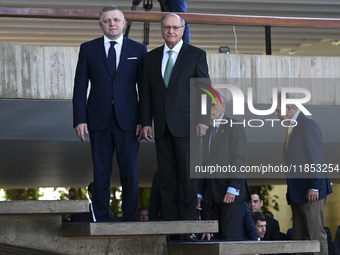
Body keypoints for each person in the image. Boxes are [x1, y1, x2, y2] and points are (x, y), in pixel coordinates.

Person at [72, 5, 147, 222]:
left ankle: (130, 219)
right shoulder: (88, 49)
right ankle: (101, 218)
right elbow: (79, 87)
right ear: (100, 25)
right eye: (107, 20)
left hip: (130, 122)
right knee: (101, 173)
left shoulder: (138, 49)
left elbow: (144, 89)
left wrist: (144, 121)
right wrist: (79, 119)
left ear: (124, 23)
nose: (112, 24)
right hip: (98, 120)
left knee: (130, 174)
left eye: (116, 20)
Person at [141, 12, 210, 226]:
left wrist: (203, 119)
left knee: (188, 177)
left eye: (175, 27)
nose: (171, 31)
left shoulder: (196, 55)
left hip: (188, 124)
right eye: (166, 27)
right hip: (161, 127)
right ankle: (171, 224)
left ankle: (188, 223)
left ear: (183, 30)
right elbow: (145, 93)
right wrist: (145, 122)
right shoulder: (150, 57)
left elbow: (204, 89)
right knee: (167, 177)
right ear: (161, 30)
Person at [274, 91, 333, 255]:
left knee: (315, 236)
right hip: (298, 193)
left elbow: (316, 157)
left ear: (289, 108)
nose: (276, 113)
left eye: (278, 110)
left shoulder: (307, 123)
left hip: (311, 192)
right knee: (300, 238)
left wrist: (314, 186)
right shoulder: (293, 126)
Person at [197, 90, 250, 240]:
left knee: (230, 239)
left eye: (213, 105)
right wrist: (200, 193)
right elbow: (205, 165)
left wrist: (232, 188)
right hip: (213, 196)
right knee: (218, 241)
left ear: (223, 106)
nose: (209, 109)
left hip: (231, 193)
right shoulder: (207, 131)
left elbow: (238, 159)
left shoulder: (234, 125)